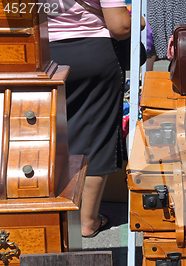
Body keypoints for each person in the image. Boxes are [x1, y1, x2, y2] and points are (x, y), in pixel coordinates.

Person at [46, 0, 131, 237]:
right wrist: (139, 22)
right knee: (96, 138)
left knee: (50, 135)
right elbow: (120, 26)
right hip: (93, 53)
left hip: (43, 54)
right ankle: (88, 221)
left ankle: (53, 213)